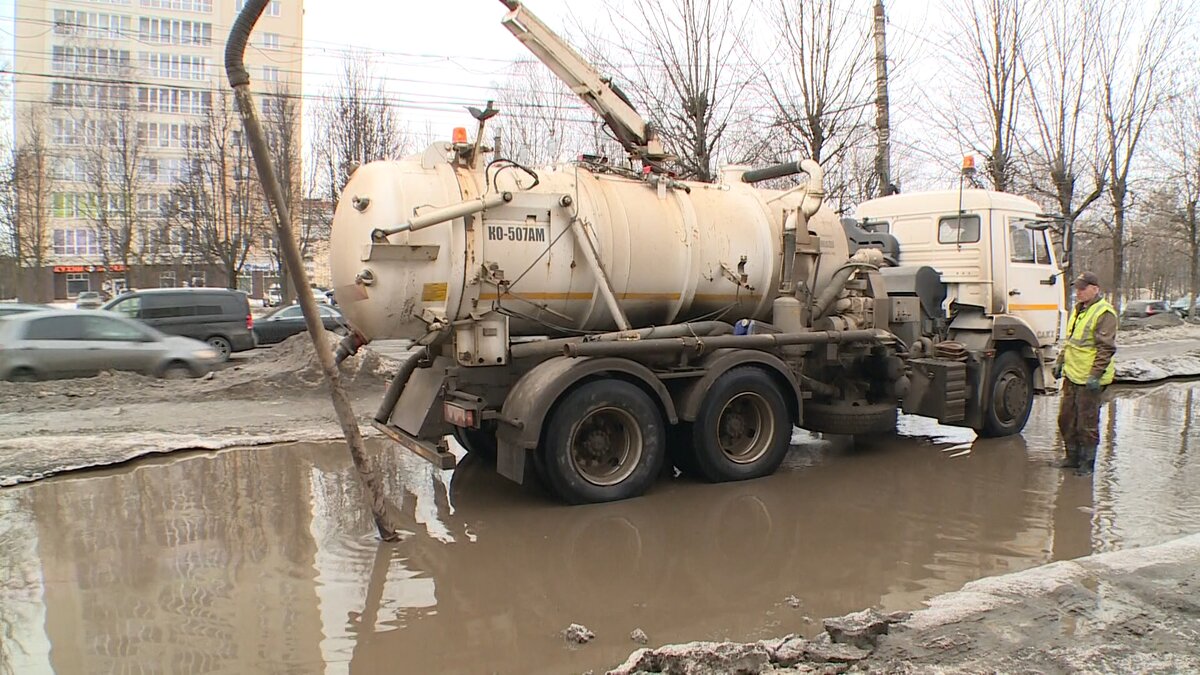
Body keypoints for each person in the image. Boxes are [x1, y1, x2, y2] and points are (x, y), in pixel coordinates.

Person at [1053, 271, 1117, 475]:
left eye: (1083, 288)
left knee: (1086, 423)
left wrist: (1095, 375)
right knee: (1066, 419)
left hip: (1090, 378)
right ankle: (1071, 457)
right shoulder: (1079, 309)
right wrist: (1060, 362)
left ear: (1095, 289)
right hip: (1072, 374)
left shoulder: (1104, 313)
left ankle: (1087, 465)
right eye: (1077, 288)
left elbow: (1105, 348)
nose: (1078, 292)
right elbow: (1071, 341)